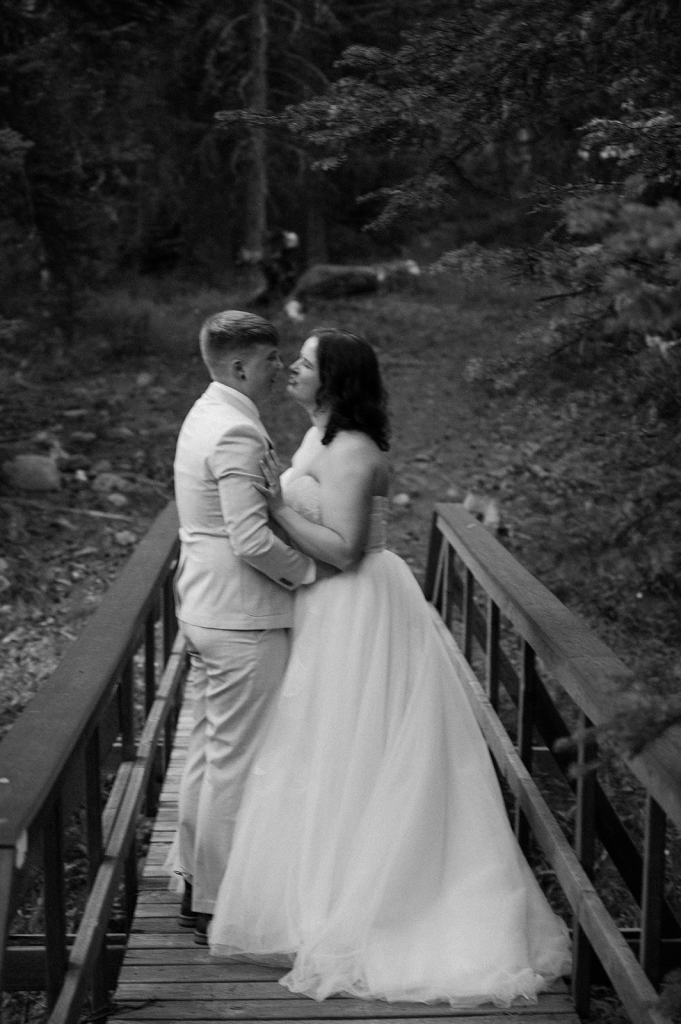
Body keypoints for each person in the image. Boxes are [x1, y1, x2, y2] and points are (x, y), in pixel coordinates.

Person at [208, 327, 572, 1008]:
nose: (291, 368)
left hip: (356, 603)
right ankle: (322, 896)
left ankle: (381, 908)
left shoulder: (351, 449)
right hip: (324, 606)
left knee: (360, 746)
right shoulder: (318, 435)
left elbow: (344, 549)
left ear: (334, 380)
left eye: (306, 364)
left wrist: (276, 506)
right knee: (324, 749)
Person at [171, 309, 320, 945]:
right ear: (239, 366)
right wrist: (312, 573)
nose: (280, 368)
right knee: (236, 757)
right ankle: (216, 899)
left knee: (208, 749)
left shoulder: (207, 410)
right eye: (269, 360)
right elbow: (251, 539)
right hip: (240, 617)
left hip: (205, 608)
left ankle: (191, 878)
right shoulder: (235, 430)